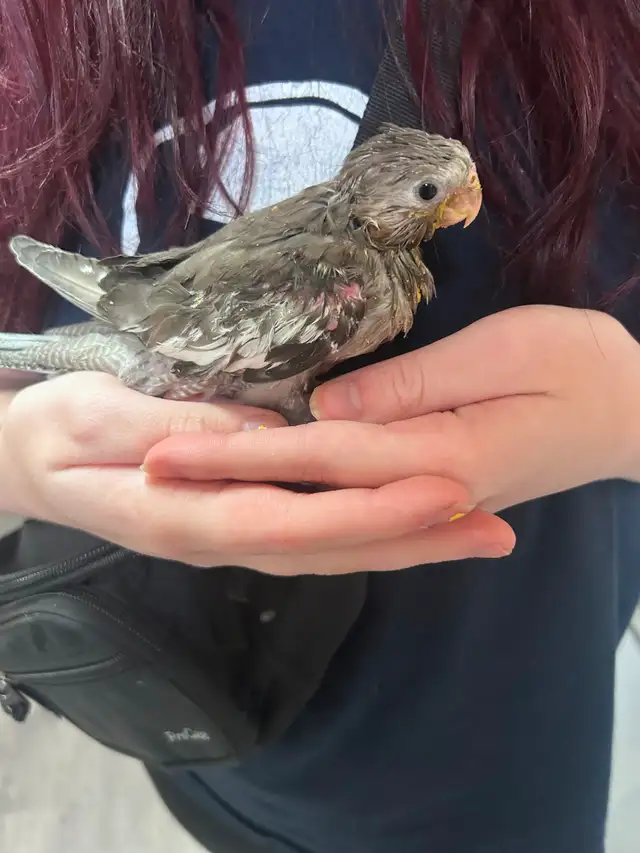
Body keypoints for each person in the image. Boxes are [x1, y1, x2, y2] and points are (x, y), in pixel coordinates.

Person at [1, 1, 639, 852]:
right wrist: (15, 458)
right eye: (429, 194)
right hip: (207, 711)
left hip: (499, 751)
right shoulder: (37, 42)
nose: (457, 204)